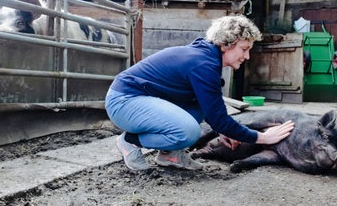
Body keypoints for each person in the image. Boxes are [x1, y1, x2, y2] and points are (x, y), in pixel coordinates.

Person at [105, 15, 295, 171]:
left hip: (143, 99)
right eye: (244, 49)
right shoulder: (203, 64)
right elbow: (220, 120)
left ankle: (170, 155)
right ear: (226, 44)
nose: (246, 56)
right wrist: (263, 137)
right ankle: (130, 141)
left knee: (199, 107)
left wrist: (222, 130)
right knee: (189, 132)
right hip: (125, 101)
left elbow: (214, 112)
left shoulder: (206, 57)